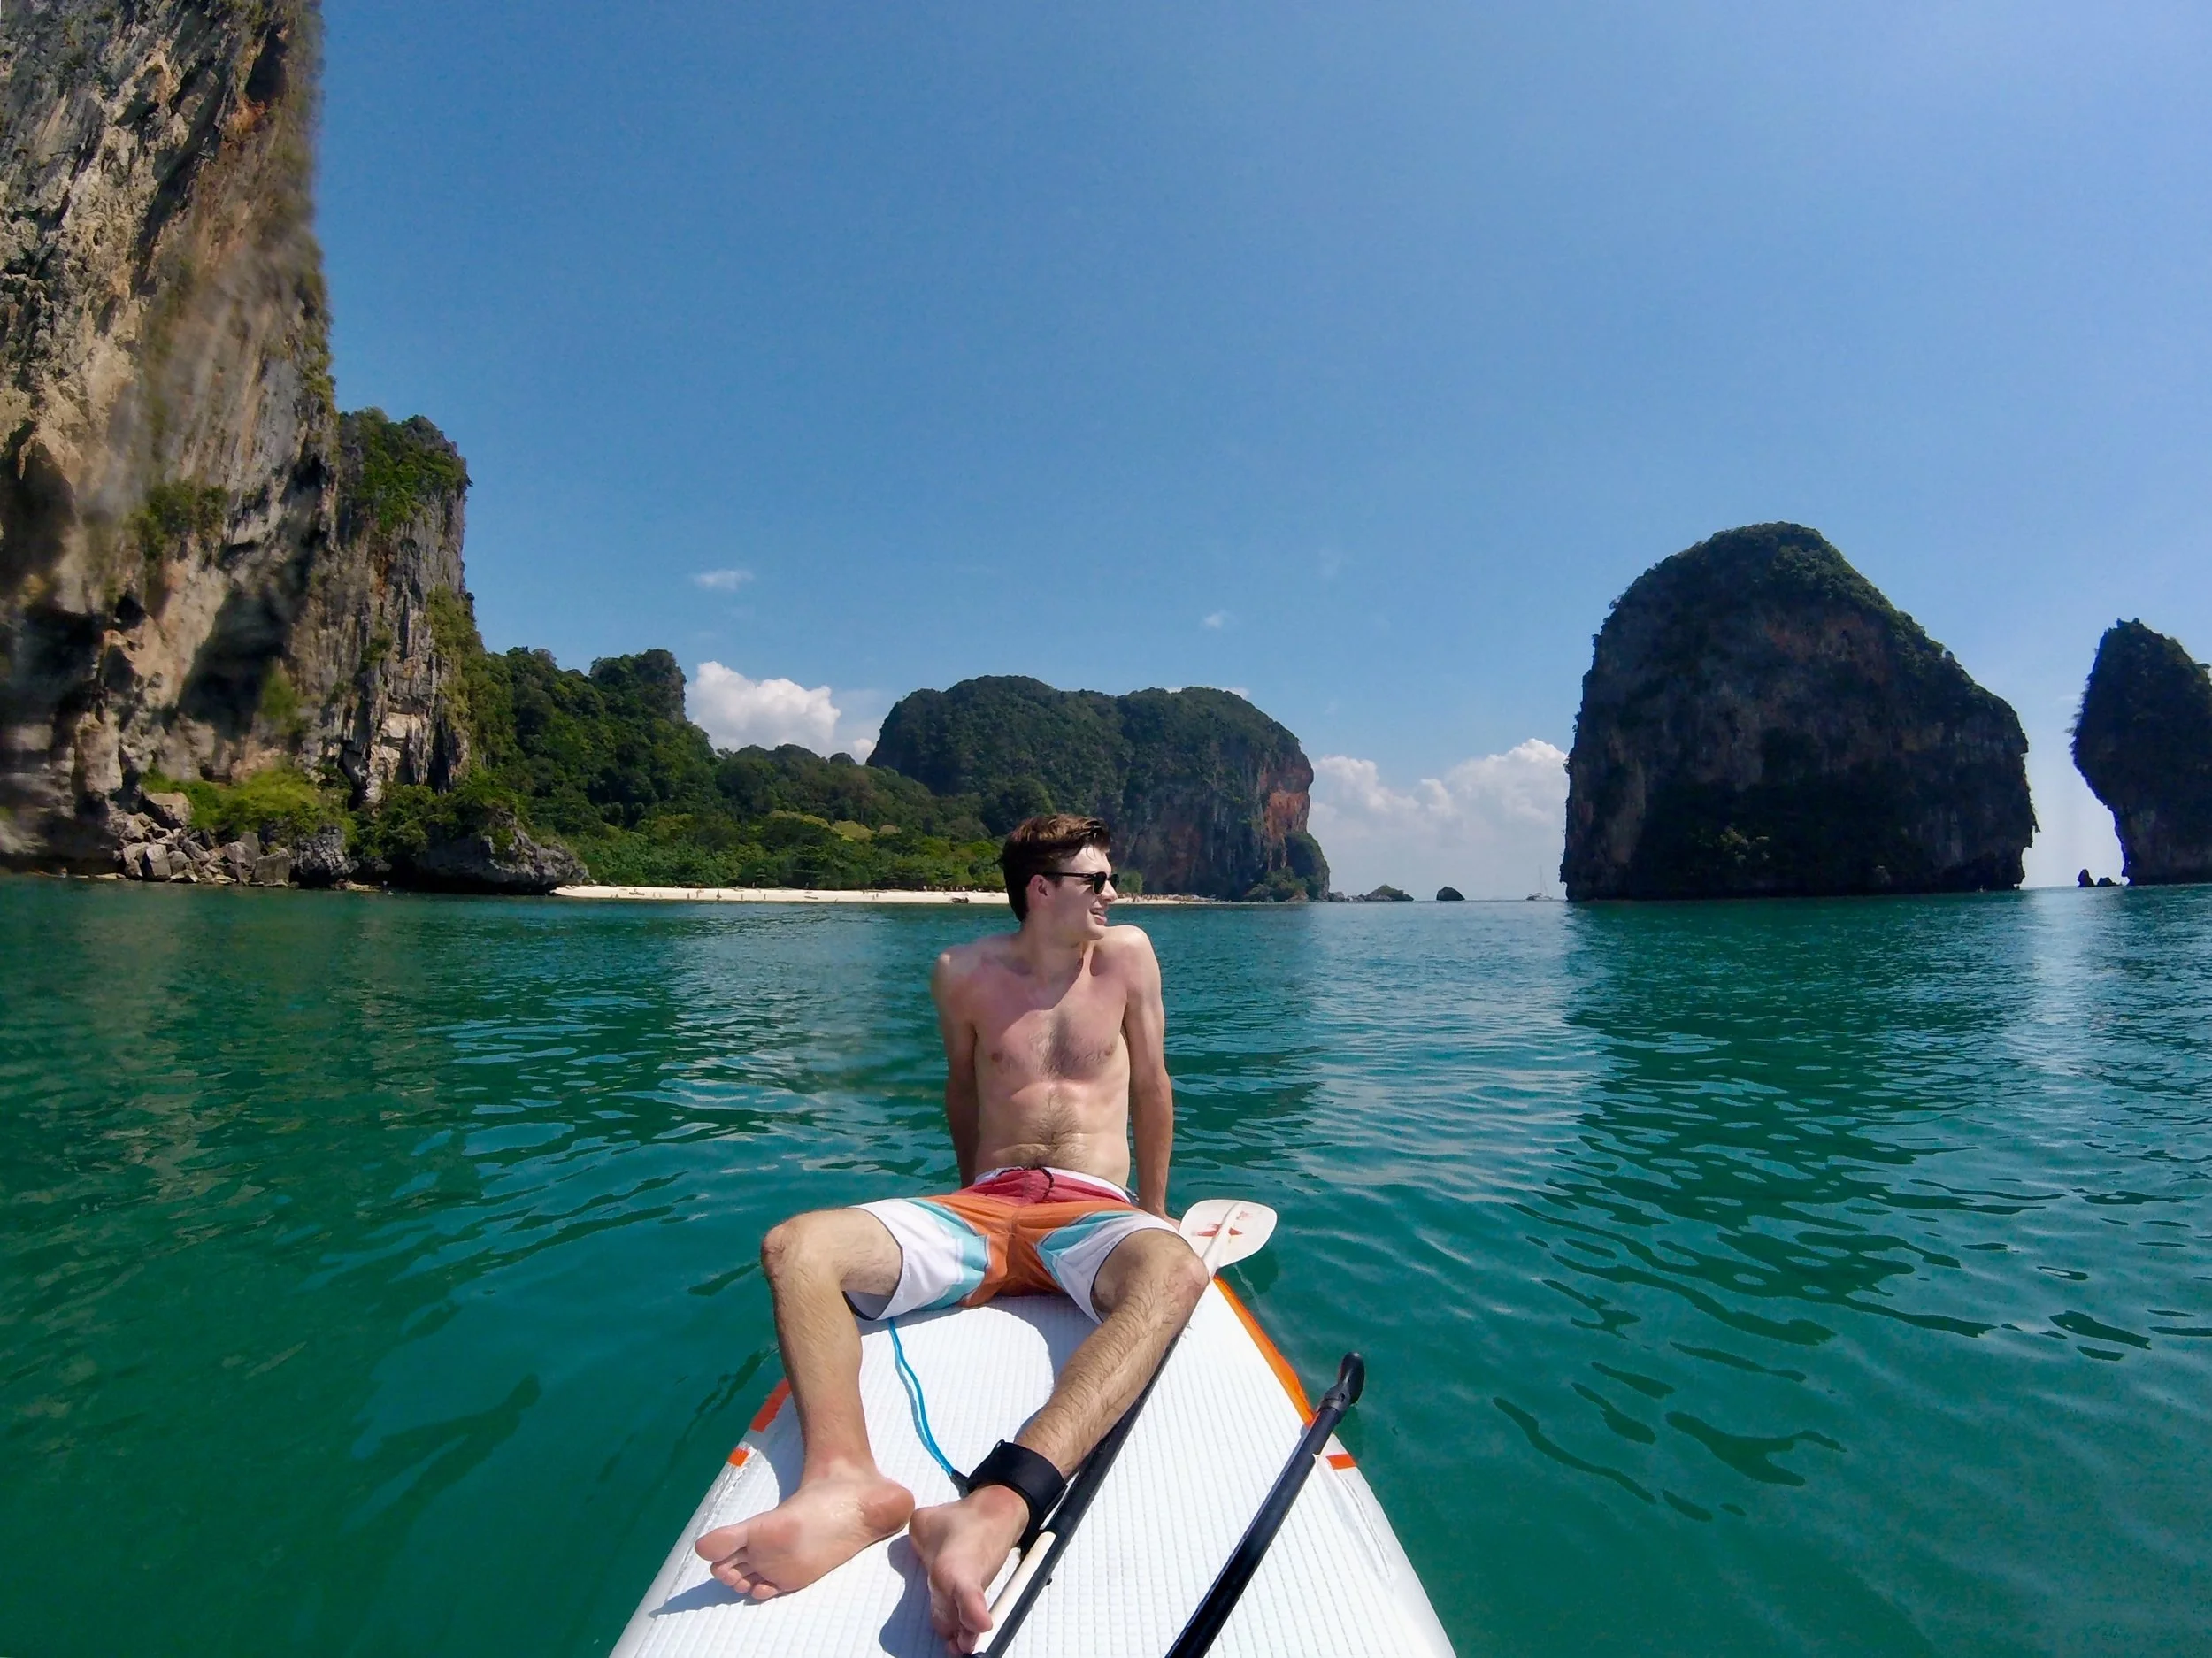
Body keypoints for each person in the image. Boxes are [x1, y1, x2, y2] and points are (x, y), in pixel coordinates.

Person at [692, 813, 1207, 1653]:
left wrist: (1152, 1207)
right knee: (798, 1247)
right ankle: (844, 1485)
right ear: (1040, 890)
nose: (1114, 894)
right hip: (986, 1202)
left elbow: (1153, 1084)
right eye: (1096, 881)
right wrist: (969, 1199)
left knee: (1176, 1273)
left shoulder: (1127, 957)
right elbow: (962, 1092)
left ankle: (999, 1504)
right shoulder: (960, 973)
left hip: (1091, 1205)